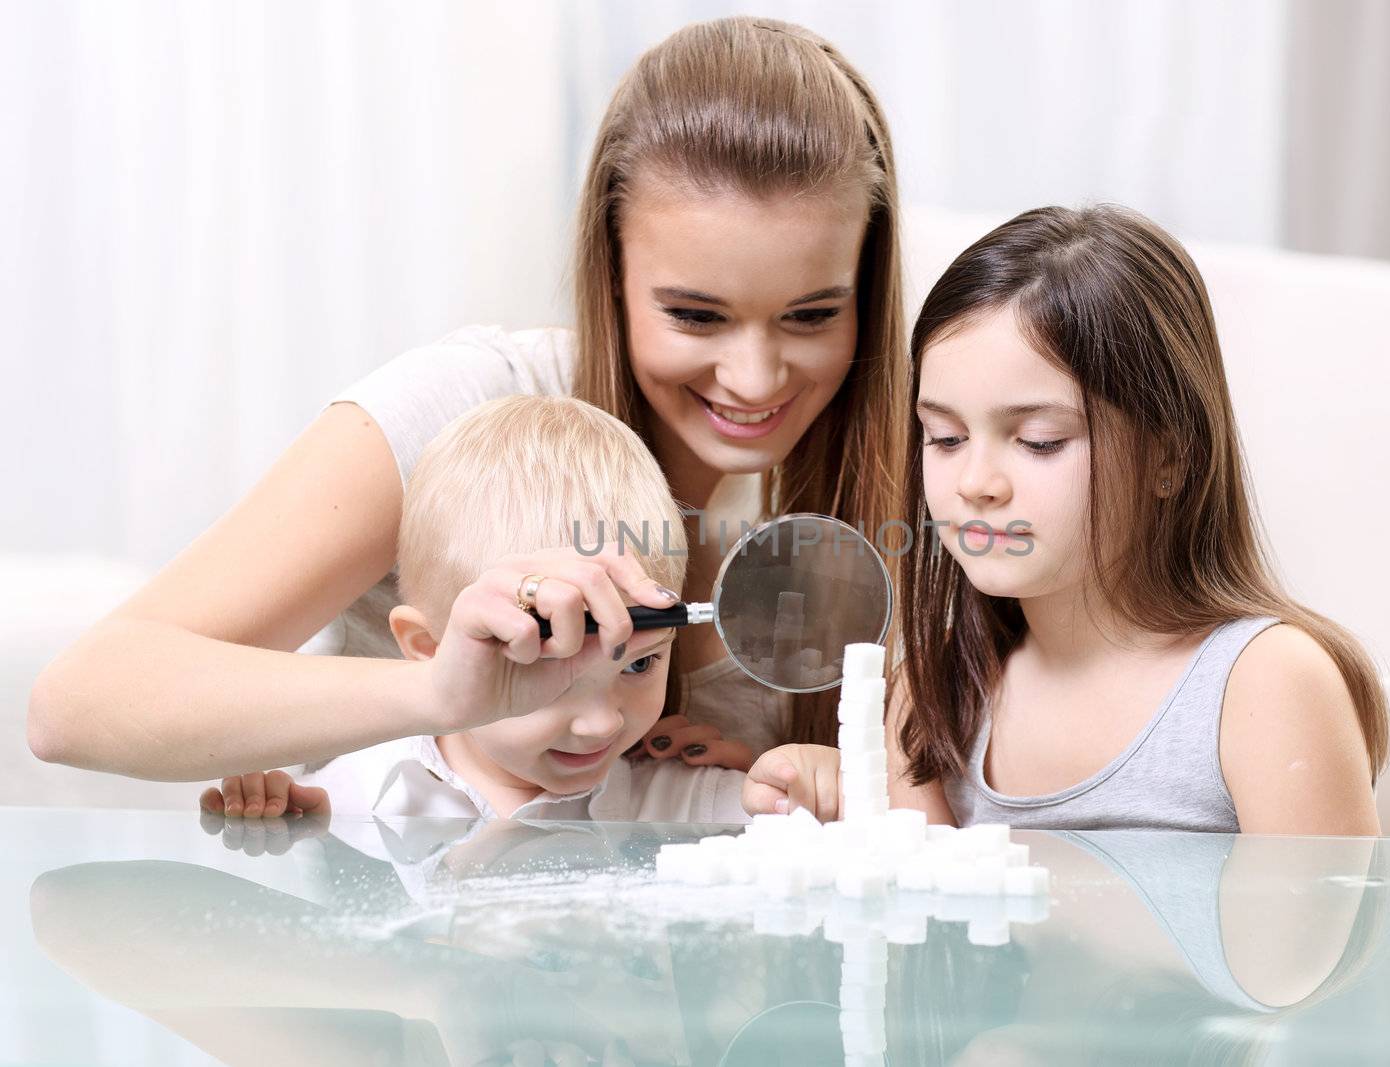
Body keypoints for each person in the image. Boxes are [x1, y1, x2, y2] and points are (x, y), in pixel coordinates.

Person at [29, 16, 907, 783]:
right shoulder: (472, 408)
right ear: (611, 274)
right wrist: (442, 692)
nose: (754, 379)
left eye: (810, 314)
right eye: (694, 315)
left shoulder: (908, 483)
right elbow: (77, 704)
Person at [889, 204, 1389, 836]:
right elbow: (928, 933)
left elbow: (1316, 937)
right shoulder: (935, 690)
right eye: (945, 436)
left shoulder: (1268, 684)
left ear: (1169, 457)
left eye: (1040, 441)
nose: (976, 484)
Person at [201, 394, 755, 823]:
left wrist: (814, 784)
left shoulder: (683, 801)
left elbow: (814, 834)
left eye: (639, 663)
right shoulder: (356, 802)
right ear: (429, 650)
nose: (601, 722)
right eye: (544, 663)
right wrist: (280, 832)